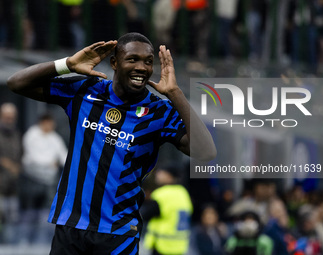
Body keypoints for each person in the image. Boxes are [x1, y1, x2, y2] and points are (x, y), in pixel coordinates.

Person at [7, 32, 216, 254]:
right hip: (70, 226)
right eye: (133, 59)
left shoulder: (159, 112)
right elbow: (16, 83)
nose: (142, 67)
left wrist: (175, 94)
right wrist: (67, 64)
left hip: (119, 233)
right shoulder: (86, 90)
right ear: (115, 63)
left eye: (148, 61)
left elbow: (206, 152)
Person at [19, 113, 67, 244]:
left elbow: (64, 157)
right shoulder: (31, 135)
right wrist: (50, 162)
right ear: (42, 122)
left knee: (45, 212)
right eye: (49, 123)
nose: (51, 125)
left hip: (49, 182)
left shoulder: (55, 138)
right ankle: (23, 241)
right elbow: (33, 157)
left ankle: (41, 241)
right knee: (29, 212)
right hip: (31, 180)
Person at [142, 165, 193, 255]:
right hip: (180, 245)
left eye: (161, 172)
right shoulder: (183, 192)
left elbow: (145, 215)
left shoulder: (162, 194)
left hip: (162, 245)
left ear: (169, 176)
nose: (157, 175)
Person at [0, 103, 21, 242]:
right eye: (6, 117)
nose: (9, 120)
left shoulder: (16, 134)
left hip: (13, 186)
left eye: (11, 117)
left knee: (13, 220)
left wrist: (18, 166)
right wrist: (7, 164)